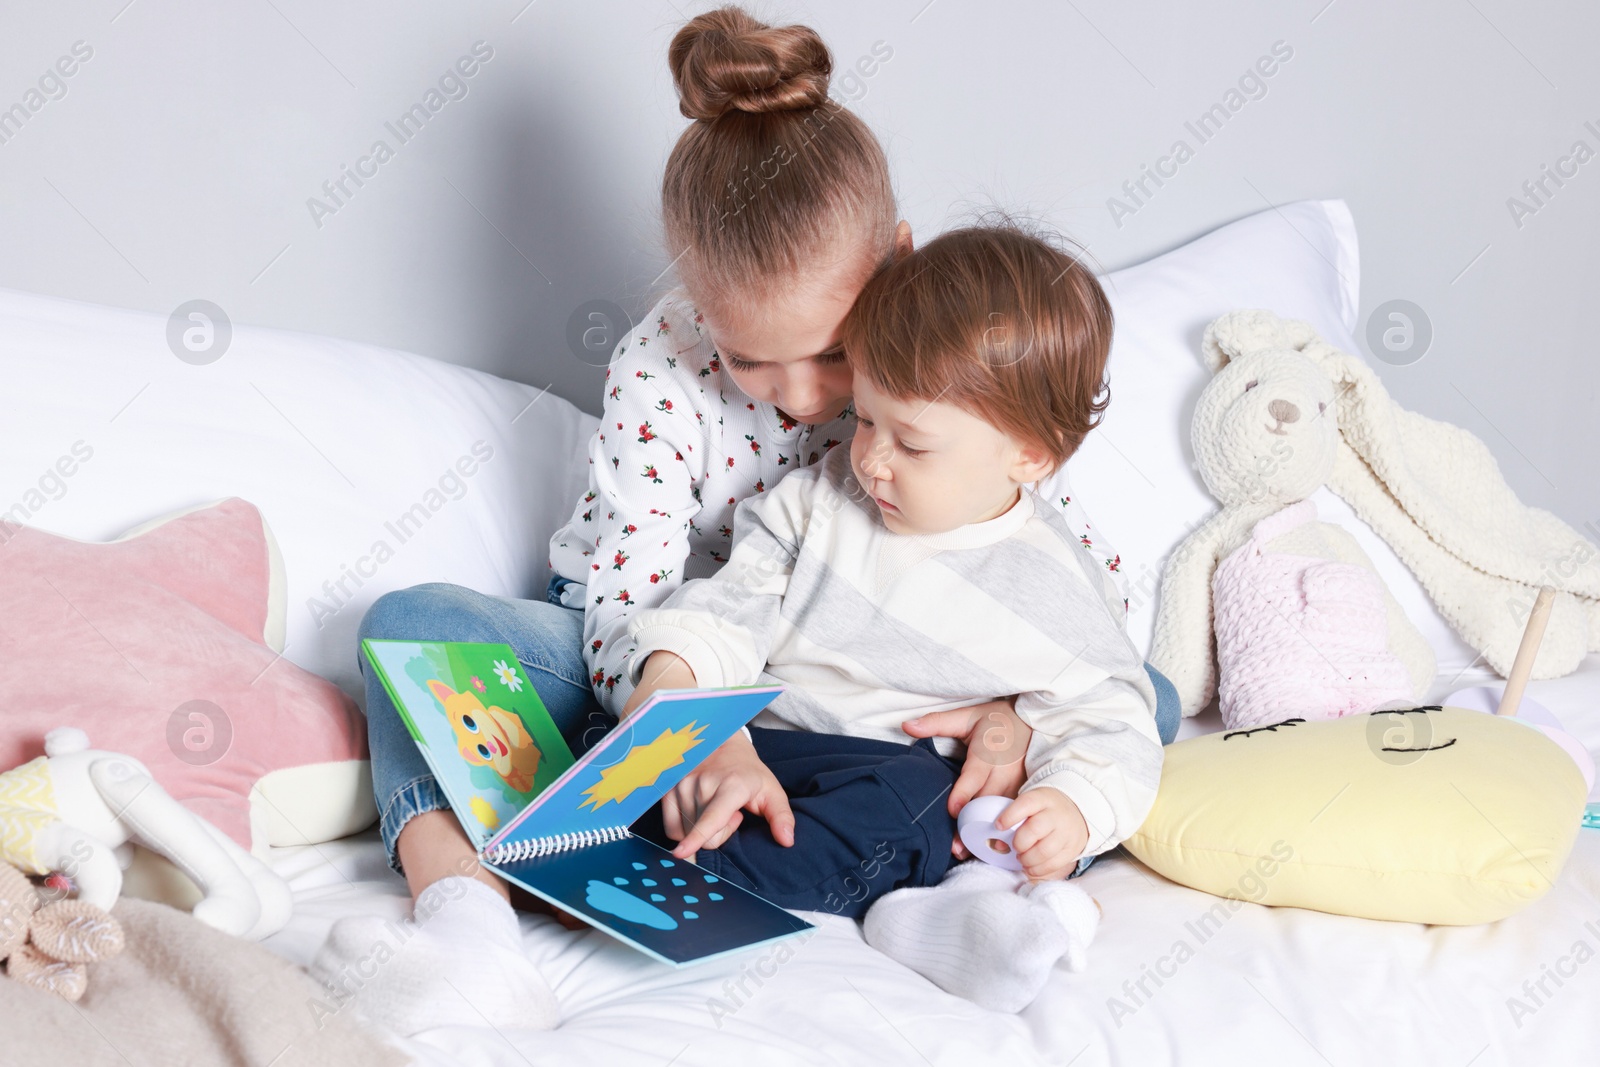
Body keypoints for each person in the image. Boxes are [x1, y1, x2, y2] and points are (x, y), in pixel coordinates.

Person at [312, 5, 1173, 1035]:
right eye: (749, 358)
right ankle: (464, 919)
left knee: (1142, 699)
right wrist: (691, 731)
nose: (803, 398)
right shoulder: (658, 368)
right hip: (645, 658)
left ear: (895, 264)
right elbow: (633, 604)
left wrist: (1018, 716)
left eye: (834, 352)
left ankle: (961, 885)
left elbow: (1053, 564)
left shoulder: (937, 347)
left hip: (853, 685)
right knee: (416, 629)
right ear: (694, 304)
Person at [621, 224, 1164, 1012]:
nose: (870, 457)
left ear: (1028, 455)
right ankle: (642, 834)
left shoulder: (1053, 586)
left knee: (910, 798)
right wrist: (688, 711)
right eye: (867, 418)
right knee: (607, 742)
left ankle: (731, 877)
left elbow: (1113, 720)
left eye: (910, 442)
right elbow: (724, 612)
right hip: (767, 744)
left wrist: (1073, 807)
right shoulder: (816, 503)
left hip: (893, 776)